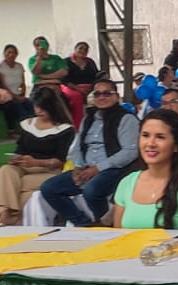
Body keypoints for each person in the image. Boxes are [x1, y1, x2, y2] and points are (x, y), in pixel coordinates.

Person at [38, 79, 140, 225]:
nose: (102, 97)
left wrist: (97, 168)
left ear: (116, 96)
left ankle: (106, 225)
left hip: (113, 169)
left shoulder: (126, 118)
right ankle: (83, 223)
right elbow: (78, 145)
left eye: (107, 93)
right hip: (86, 168)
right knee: (49, 188)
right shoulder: (89, 118)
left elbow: (130, 152)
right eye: (97, 94)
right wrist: (78, 166)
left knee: (91, 191)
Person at [0, 87, 76, 226]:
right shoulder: (28, 124)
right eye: (36, 106)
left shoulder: (65, 129)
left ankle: (5, 220)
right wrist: (17, 159)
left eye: (43, 108)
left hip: (49, 170)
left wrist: (36, 162)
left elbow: (60, 161)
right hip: (25, 166)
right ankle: (5, 216)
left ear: (52, 107)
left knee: (9, 186)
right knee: (5, 171)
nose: (39, 111)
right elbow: (20, 149)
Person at [110, 110, 178, 231]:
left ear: (176, 145)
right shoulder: (127, 183)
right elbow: (119, 236)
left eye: (160, 137)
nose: (150, 143)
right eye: (145, 135)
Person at [30, 36, 82, 123]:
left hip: (56, 87)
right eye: (38, 45)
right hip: (40, 88)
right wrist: (40, 57)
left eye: (43, 44)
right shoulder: (33, 59)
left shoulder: (56, 58)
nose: (41, 46)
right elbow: (35, 72)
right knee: (36, 103)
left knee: (64, 104)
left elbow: (63, 72)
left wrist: (44, 77)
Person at [0, 44, 34, 121]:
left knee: (32, 106)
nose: (11, 55)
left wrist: (23, 95)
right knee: (21, 110)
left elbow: (23, 83)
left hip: (19, 95)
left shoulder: (19, 66)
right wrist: (16, 97)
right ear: (4, 53)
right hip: (6, 97)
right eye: (9, 52)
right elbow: (3, 85)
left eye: (13, 53)